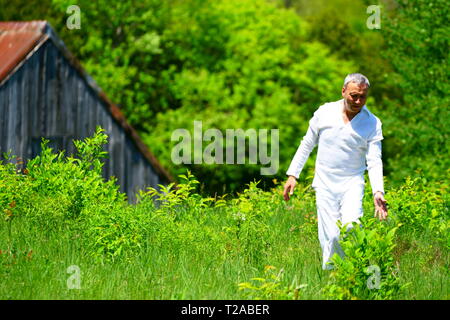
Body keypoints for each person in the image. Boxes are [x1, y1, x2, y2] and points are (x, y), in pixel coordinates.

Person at [283, 73, 388, 270]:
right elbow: (307, 144)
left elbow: (374, 160)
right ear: (343, 92)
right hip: (324, 183)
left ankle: (355, 268)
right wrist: (293, 175)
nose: (358, 101)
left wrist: (378, 191)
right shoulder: (325, 112)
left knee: (351, 226)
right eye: (353, 95)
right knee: (330, 236)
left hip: (352, 183)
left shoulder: (373, 123)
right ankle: (335, 277)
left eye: (362, 97)